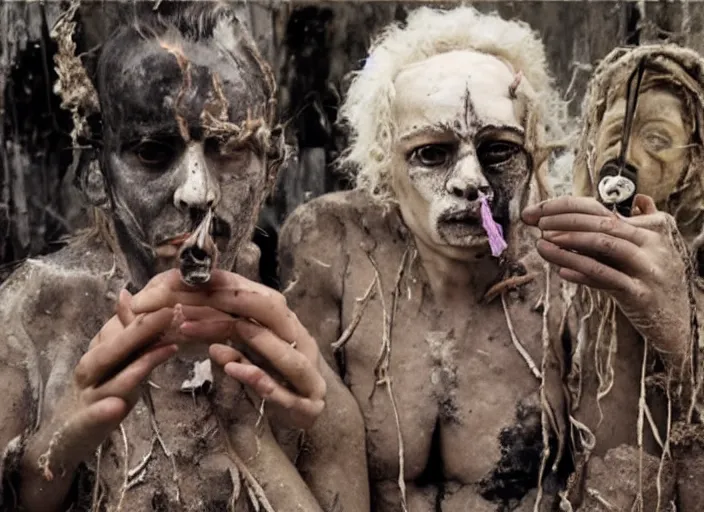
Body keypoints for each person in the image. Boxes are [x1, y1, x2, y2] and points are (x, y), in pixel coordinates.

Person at [0, 3, 366, 511]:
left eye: (230, 149)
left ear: (273, 169)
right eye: (153, 152)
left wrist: (245, 428)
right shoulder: (32, 325)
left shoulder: (301, 338)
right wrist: (61, 442)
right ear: (93, 174)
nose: (198, 193)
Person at [279, 7, 575, 511]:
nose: (472, 182)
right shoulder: (334, 250)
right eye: (432, 153)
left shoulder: (566, 270)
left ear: (535, 153)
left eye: (498, 151)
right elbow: (301, 450)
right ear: (382, 164)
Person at [523, 44, 704, 509]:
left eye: (659, 140)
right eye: (617, 133)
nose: (630, 158)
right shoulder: (547, 274)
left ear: (696, 166)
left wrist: (682, 326)